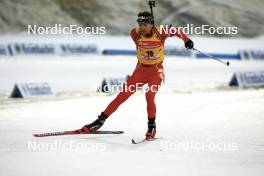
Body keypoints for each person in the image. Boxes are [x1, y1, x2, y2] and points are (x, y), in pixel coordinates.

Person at [81, 11, 194, 140]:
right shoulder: (135, 33)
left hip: (156, 71)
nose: (142, 27)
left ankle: (152, 127)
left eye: (145, 24)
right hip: (140, 71)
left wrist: (187, 40)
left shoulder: (161, 31)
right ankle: (99, 122)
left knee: (149, 95)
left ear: (151, 24)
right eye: (140, 24)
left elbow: (177, 31)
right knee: (121, 97)